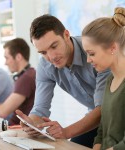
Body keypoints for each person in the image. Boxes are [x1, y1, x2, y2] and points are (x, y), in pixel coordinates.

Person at [16, 14, 110, 148]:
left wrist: (65, 132)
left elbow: (104, 109)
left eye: (54, 46)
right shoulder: (45, 66)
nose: (51, 57)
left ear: (66, 35)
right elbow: (40, 109)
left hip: (115, 114)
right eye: (43, 52)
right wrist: (32, 123)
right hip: (97, 118)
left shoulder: (93, 53)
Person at [81, 7, 125, 150]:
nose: (88, 60)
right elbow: (102, 130)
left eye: (92, 53)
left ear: (112, 48)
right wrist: (97, 146)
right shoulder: (109, 80)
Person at [0, 38, 36, 125]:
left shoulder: (26, 78)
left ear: (18, 57)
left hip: (18, 131)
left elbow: (3, 111)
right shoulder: (29, 74)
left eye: (7, 58)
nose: (5, 63)